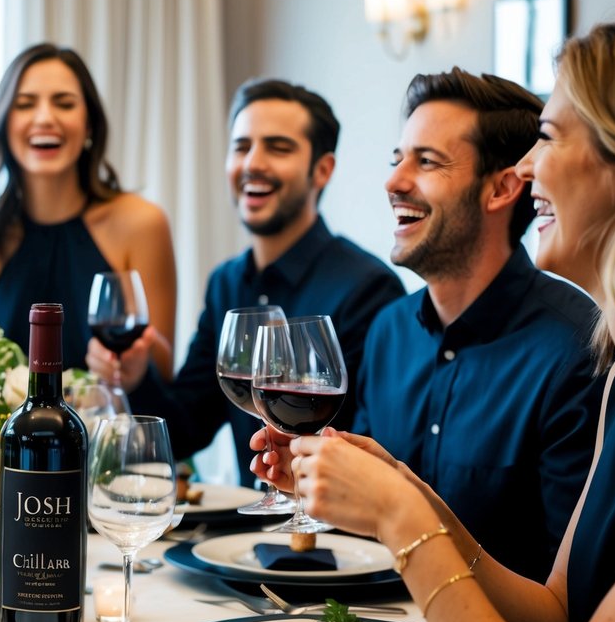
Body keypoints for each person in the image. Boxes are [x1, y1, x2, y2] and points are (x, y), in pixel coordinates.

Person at [256, 16, 615, 622]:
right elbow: (556, 613)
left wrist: (401, 518)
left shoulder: (581, 356)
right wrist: (395, 489)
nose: (527, 167)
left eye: (551, 136)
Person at [351, 69, 602, 581]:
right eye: (397, 160)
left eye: (426, 162)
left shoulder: (577, 350)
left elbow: (570, 587)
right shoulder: (388, 332)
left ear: (503, 188)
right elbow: (364, 526)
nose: (394, 182)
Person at [88, 79, 405, 480]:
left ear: (322, 170)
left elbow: (372, 452)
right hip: (247, 536)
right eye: (241, 147)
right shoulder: (226, 283)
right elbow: (186, 428)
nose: (253, 163)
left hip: (334, 535)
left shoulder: (368, 289)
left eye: (278, 147)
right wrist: (137, 378)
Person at [0, 42, 177, 376]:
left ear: (89, 125)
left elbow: (163, 369)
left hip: (110, 427)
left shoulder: (142, 223)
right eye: (25, 104)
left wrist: (132, 366)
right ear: (4, 123)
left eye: (64, 103)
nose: (45, 118)